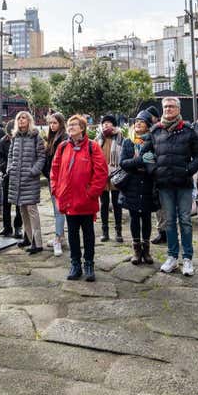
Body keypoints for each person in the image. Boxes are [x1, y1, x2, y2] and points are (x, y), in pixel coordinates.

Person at [144, 97, 198, 276]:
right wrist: (154, 170)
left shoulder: (188, 131)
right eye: (165, 106)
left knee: (185, 221)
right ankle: (172, 257)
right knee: (169, 222)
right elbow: (145, 153)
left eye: (171, 106)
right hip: (164, 184)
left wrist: (187, 170)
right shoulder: (156, 131)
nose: (168, 109)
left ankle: (187, 258)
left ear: (178, 108)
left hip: (183, 184)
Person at [51, 115, 108, 282]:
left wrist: (91, 193)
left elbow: (101, 173)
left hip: (86, 201)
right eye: (69, 125)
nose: (70, 127)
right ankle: (75, 264)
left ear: (82, 128)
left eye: (74, 124)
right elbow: (54, 170)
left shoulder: (93, 147)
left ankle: (89, 264)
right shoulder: (62, 147)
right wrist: (56, 190)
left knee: (88, 233)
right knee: (73, 234)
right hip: (68, 199)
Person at [119, 111, 158, 265]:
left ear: (148, 126)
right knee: (134, 217)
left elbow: (155, 163)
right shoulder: (128, 142)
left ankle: (146, 250)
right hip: (132, 185)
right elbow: (123, 163)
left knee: (147, 217)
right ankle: (136, 250)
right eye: (136, 122)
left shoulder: (153, 143)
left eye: (142, 122)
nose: (138, 124)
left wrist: (138, 163)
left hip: (148, 184)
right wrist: (141, 161)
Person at [8, 111, 46, 254]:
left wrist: (33, 171)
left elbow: (42, 157)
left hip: (30, 179)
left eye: (24, 118)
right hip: (16, 179)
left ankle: (38, 242)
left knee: (32, 210)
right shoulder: (15, 137)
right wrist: (9, 168)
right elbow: (10, 155)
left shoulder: (36, 136)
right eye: (19, 118)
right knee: (22, 210)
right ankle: (29, 238)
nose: (21, 120)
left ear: (29, 120)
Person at [96, 115, 125, 243]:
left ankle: (118, 232)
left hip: (116, 175)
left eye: (108, 123)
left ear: (114, 125)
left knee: (117, 204)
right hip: (101, 176)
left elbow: (124, 156)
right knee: (104, 204)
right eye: (104, 123)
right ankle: (105, 231)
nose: (106, 125)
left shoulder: (120, 138)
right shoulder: (98, 139)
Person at [43, 113, 68, 256]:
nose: (52, 125)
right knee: (56, 209)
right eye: (50, 123)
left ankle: (58, 238)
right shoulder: (52, 137)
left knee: (59, 210)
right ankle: (61, 236)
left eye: (55, 123)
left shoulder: (63, 139)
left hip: (59, 179)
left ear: (61, 123)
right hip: (52, 178)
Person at [0, 120, 23, 239]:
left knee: (18, 204)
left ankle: (18, 228)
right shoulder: (3, 141)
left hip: (19, 176)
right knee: (6, 203)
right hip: (6, 176)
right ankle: (7, 228)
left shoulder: (22, 140)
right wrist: (5, 169)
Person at [146, 106, 168, 246]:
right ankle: (161, 231)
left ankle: (164, 232)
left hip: (161, 173)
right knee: (157, 206)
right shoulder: (150, 130)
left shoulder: (160, 129)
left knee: (163, 206)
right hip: (152, 173)